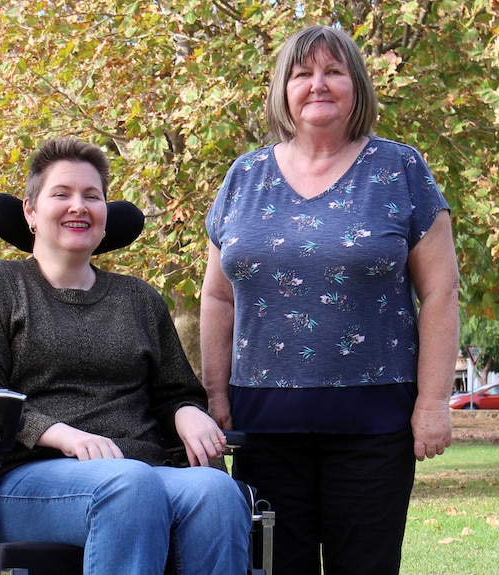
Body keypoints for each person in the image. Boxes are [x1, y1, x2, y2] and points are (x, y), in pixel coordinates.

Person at [200, 25, 460, 575]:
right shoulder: (243, 176)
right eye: (302, 74)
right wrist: (215, 393)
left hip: (374, 429)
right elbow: (217, 297)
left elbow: (440, 292)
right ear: (283, 90)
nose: (317, 84)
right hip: (262, 427)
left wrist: (433, 403)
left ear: (356, 86)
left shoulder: (401, 170)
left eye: (333, 72)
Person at [0, 137, 250, 575]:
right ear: (30, 212)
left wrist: (186, 411)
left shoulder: (139, 299)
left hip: (139, 469)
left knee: (217, 492)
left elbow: (174, 393)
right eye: (61, 194)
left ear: (105, 217)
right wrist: (63, 435)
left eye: (92, 196)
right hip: (30, 476)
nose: (78, 206)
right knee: (130, 484)